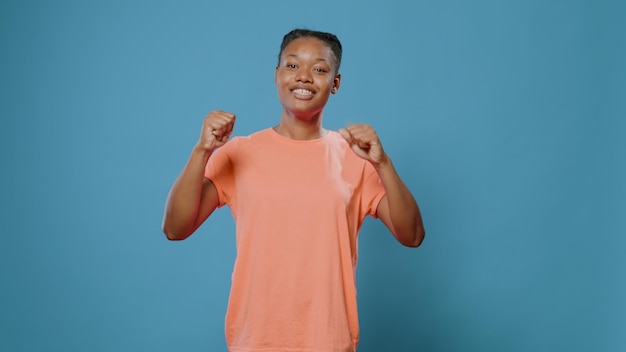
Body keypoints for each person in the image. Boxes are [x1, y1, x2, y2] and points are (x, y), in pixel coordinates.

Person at [162, 28, 425, 352]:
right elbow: (175, 228)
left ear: (336, 83)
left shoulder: (356, 157)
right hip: (254, 341)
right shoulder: (239, 152)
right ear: (276, 75)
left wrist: (383, 163)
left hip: (329, 342)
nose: (304, 77)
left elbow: (412, 235)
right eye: (292, 65)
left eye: (319, 69)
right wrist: (201, 151)